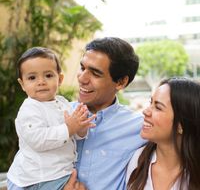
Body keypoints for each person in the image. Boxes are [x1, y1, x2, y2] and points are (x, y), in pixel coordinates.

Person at [7, 47, 96, 190]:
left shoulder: (63, 103)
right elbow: (38, 140)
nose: (41, 82)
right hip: (38, 178)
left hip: (58, 173)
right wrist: (69, 128)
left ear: (59, 79)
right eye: (32, 78)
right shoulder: (30, 109)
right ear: (22, 84)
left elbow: (73, 134)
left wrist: (80, 129)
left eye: (48, 75)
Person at [64, 37, 146, 190]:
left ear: (121, 82)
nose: (82, 78)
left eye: (95, 73)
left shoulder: (140, 128)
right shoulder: (58, 114)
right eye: (82, 68)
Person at [126, 77, 200, 190]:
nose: (145, 112)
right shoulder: (138, 160)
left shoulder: (195, 174)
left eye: (158, 107)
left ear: (181, 125)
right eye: (151, 103)